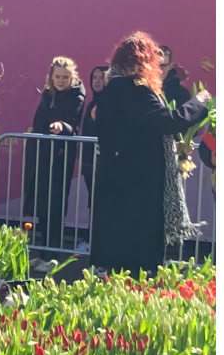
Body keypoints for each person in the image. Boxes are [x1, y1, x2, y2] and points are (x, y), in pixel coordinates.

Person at [90, 32, 210, 275]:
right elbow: (168, 121)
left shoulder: (111, 88)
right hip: (138, 184)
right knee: (140, 259)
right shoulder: (136, 89)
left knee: (116, 257)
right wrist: (199, 102)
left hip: (115, 178)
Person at [22, 56, 85, 255]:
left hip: (59, 156)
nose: (61, 81)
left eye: (65, 77)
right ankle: (43, 252)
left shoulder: (76, 96)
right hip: (41, 154)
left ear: (72, 77)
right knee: (41, 204)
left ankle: (52, 253)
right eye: (57, 76)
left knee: (55, 204)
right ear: (51, 76)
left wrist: (62, 127)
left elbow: (73, 124)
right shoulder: (48, 94)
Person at [78, 65, 109, 251]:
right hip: (89, 161)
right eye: (94, 77)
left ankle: (95, 242)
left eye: (101, 77)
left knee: (100, 203)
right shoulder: (92, 103)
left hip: (102, 162)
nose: (96, 81)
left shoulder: (108, 103)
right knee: (94, 201)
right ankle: (90, 239)